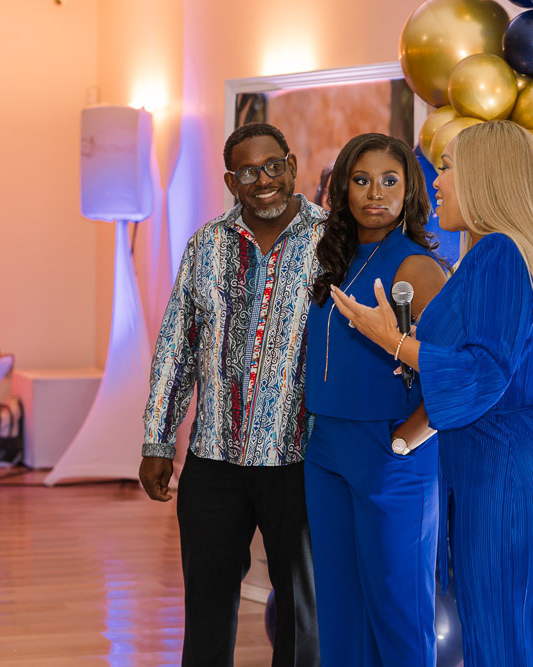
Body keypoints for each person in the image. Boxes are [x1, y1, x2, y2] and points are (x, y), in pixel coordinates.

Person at [331, 120, 533, 666]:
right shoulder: (503, 252)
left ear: (484, 176)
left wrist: (391, 340)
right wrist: (406, 438)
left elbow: (483, 372)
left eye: (447, 168)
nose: (437, 181)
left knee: (500, 640)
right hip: (513, 459)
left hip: (509, 468)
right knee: (506, 635)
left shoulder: (499, 252)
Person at [140, 122, 324, 667]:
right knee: (206, 603)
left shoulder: (332, 241)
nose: (263, 180)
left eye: (273, 166)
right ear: (230, 181)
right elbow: (176, 346)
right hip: (214, 458)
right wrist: (157, 442)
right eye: (248, 172)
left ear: (292, 167)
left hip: (301, 458)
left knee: (303, 609)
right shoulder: (206, 244)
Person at [304, 133, 447, 666]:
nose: (375, 193)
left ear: (410, 190)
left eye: (390, 180)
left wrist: (408, 439)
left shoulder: (417, 267)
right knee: (340, 611)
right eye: (361, 180)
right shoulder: (334, 261)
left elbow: (454, 369)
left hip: (389, 452)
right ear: (343, 188)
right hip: (326, 451)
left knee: (398, 612)